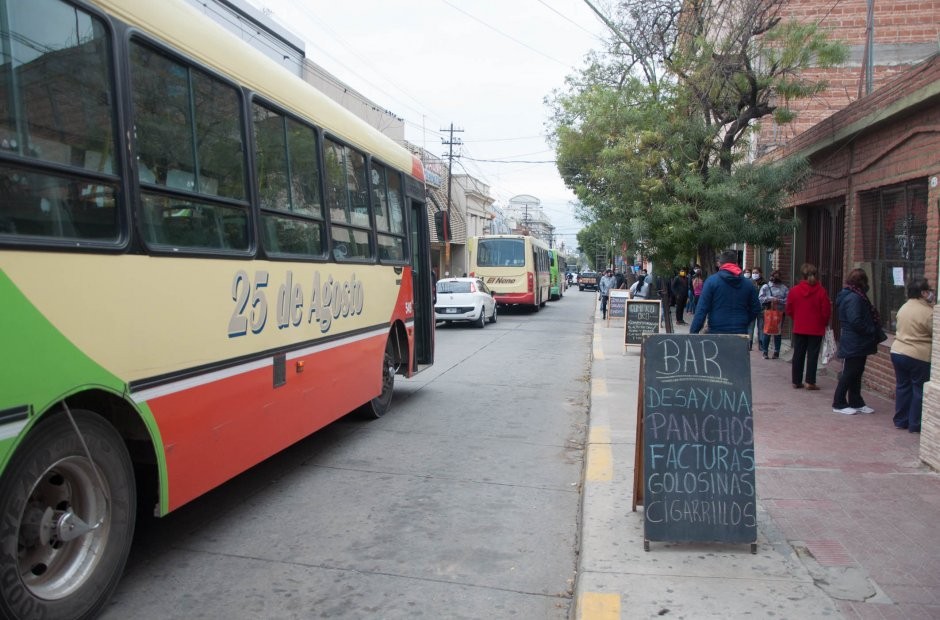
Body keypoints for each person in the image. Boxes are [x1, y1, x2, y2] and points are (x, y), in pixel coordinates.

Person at [831, 268, 883, 415]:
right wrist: (871, 329)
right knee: (850, 372)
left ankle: (856, 401)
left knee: (857, 372)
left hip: (857, 341)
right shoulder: (854, 298)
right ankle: (839, 402)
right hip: (854, 341)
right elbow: (855, 321)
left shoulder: (855, 295)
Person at [890, 277, 934, 432]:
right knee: (918, 389)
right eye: (929, 291)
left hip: (898, 351)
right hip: (918, 354)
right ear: (923, 293)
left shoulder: (904, 307)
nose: (931, 294)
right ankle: (915, 424)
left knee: (903, 386)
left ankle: (901, 420)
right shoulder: (928, 313)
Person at [689, 249, 761, 335]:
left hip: (716, 331)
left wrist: (693, 332)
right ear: (736, 263)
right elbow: (756, 308)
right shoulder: (748, 284)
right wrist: (744, 320)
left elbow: (701, 309)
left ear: (720, 264)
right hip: (740, 331)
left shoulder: (711, 282)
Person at [786, 263, 831, 390]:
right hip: (816, 328)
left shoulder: (794, 290)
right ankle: (810, 381)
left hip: (800, 326)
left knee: (798, 354)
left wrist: (797, 318)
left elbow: (789, 309)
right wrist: (824, 322)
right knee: (813, 355)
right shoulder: (821, 291)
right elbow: (826, 310)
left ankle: (796, 380)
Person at [758, 269, 788, 359]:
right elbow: (760, 298)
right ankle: (765, 351)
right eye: (774, 276)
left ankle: (776, 352)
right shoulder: (766, 287)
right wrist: (770, 298)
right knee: (767, 332)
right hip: (768, 312)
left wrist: (779, 300)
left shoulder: (784, 288)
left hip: (779, 313)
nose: (775, 278)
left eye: (777, 276)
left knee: (778, 332)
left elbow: (787, 300)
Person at [747, 267, 765, 350]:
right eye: (753, 273)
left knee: (761, 327)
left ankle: (761, 344)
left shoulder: (764, 283)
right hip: (752, 308)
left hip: (761, 308)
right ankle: (749, 344)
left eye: (756, 272)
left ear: (760, 273)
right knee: (751, 326)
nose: (754, 274)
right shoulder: (748, 282)